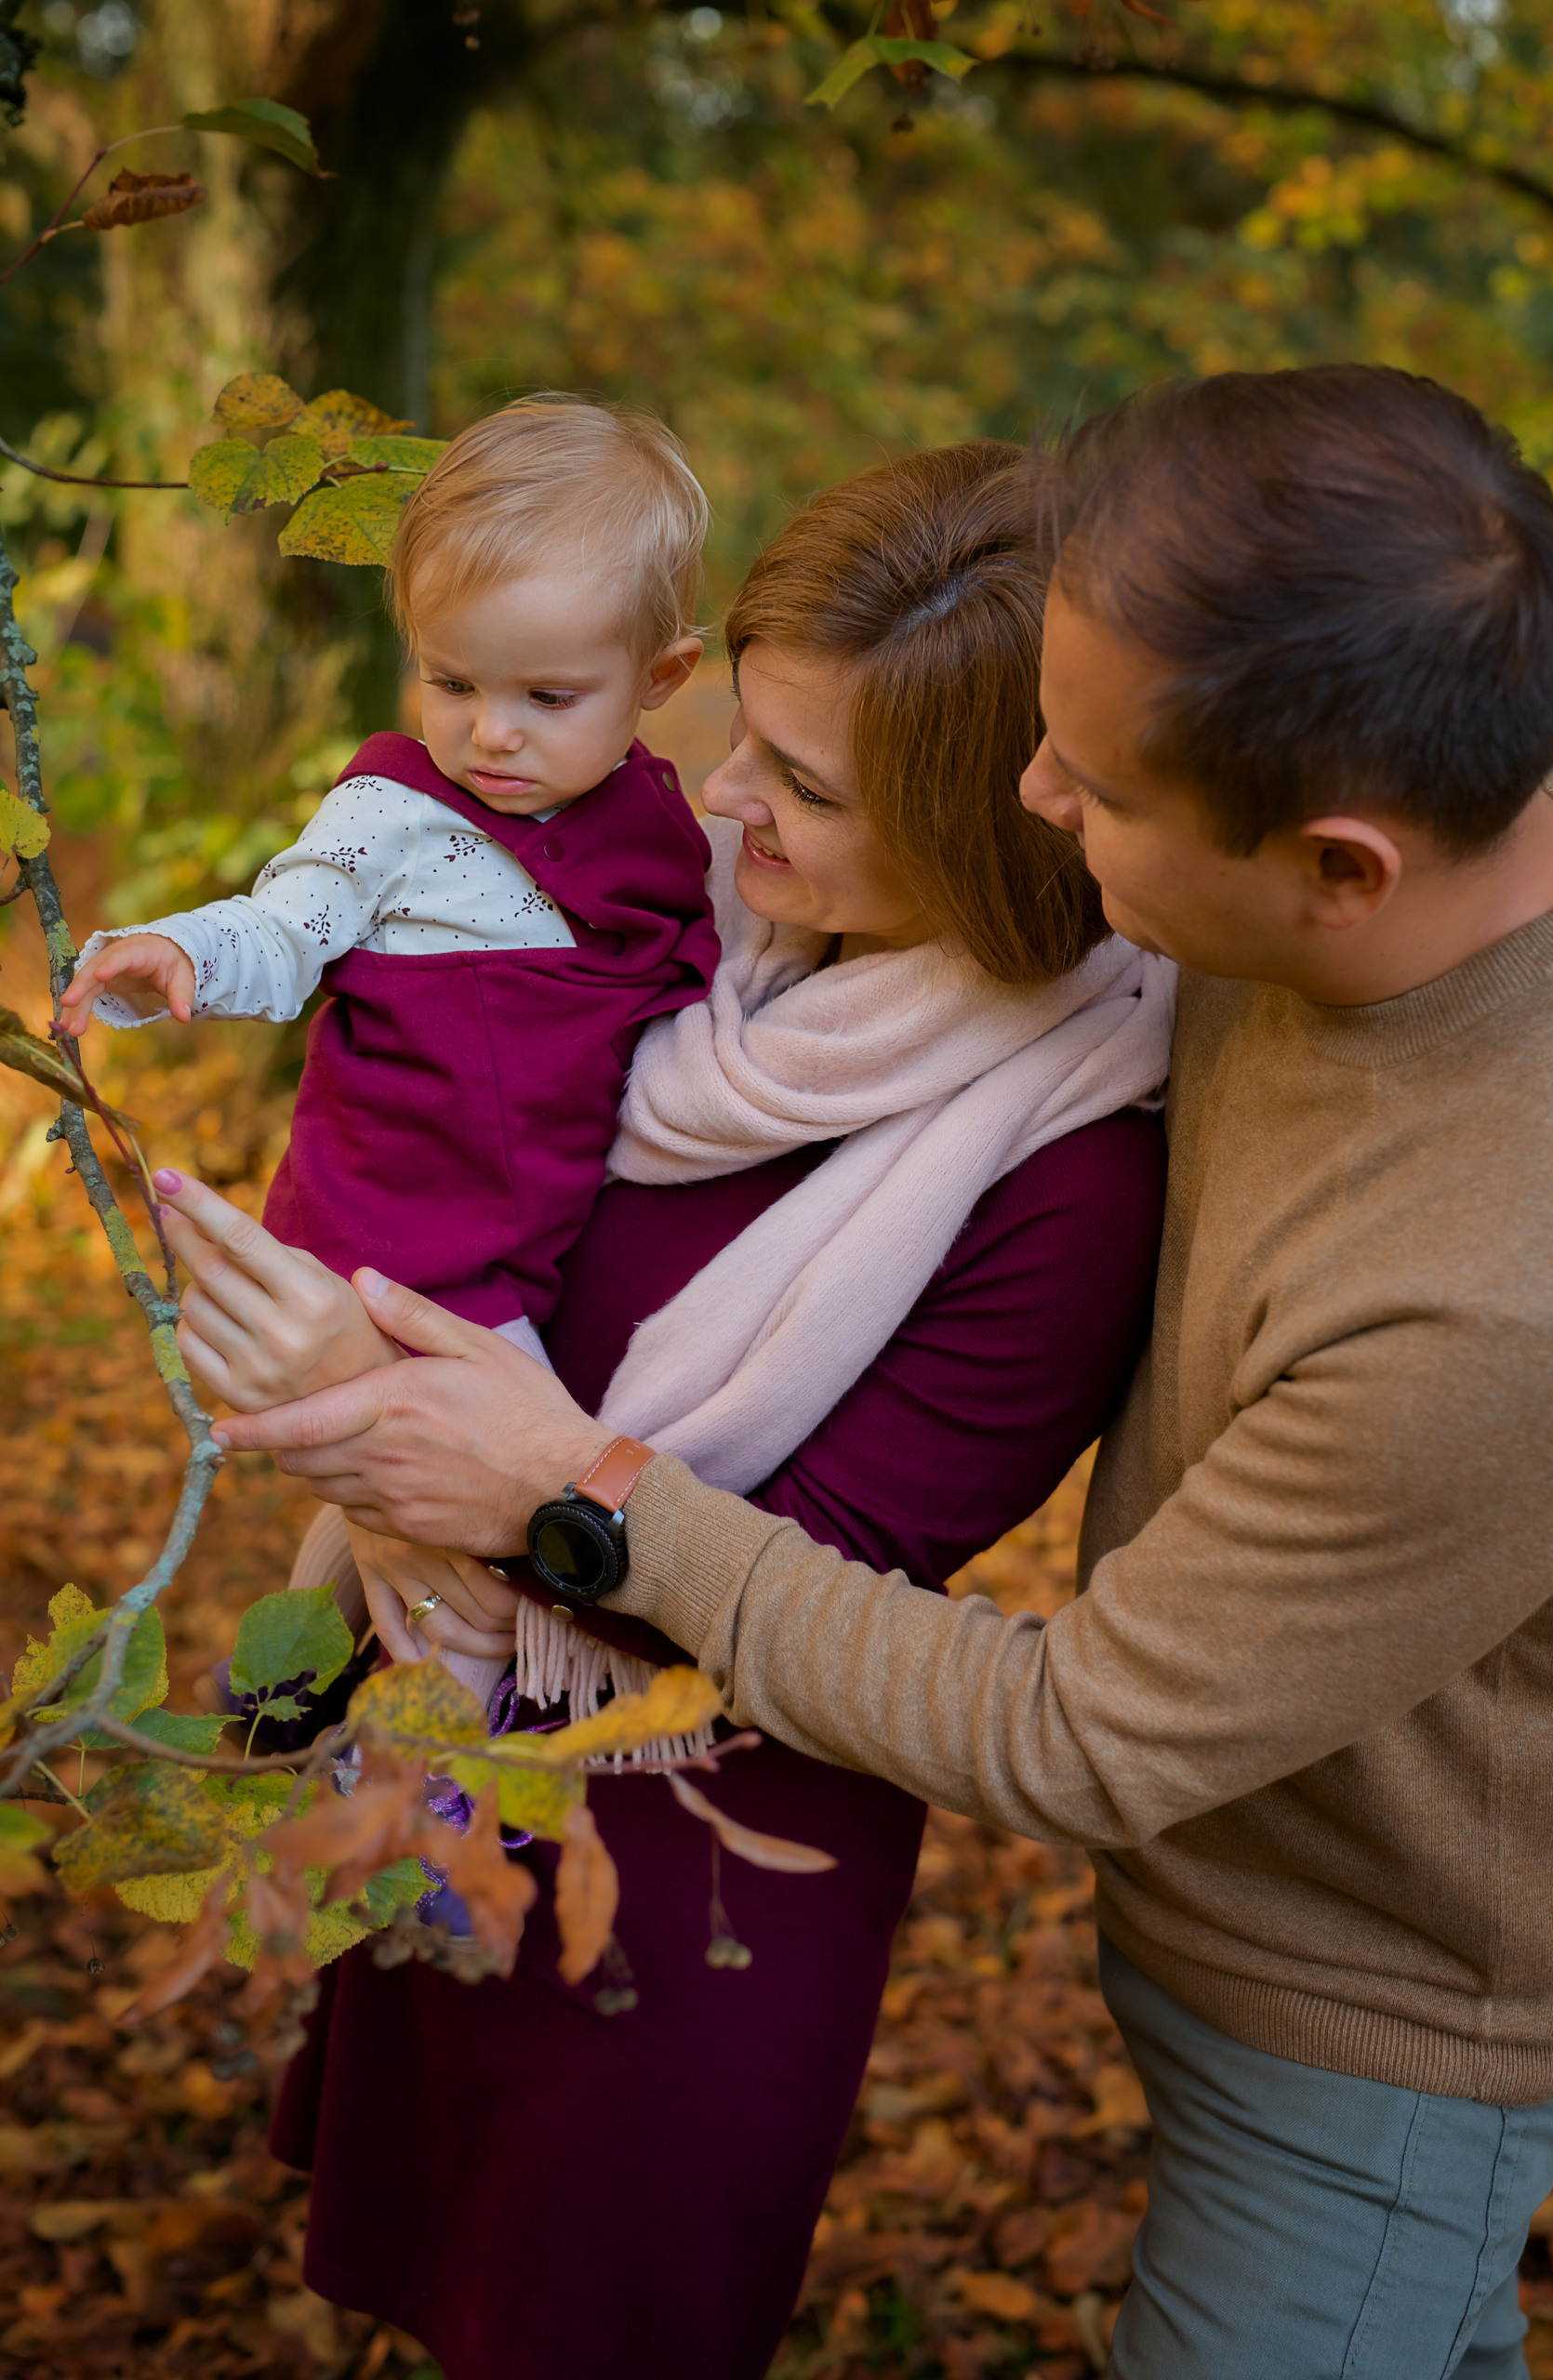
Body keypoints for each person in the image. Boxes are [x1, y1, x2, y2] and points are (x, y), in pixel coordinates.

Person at [195, 366, 1553, 2377]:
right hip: (1012, 1824)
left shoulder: (1465, 1280)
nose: (1045, 796)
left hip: (1369, 1974)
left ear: (1333, 864)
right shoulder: (1290, 847)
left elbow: (1072, 1726)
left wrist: (539, 1490)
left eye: (1089, 784)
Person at [155, 441, 1173, 2380]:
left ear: (998, 823)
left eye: (806, 786)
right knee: (430, 2270)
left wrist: (383, 1424)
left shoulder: (1065, 1176)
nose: (720, 797)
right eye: (744, 734)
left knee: (587, 2310)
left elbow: (828, 1575)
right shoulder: (665, 933)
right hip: (444, 1721)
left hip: (691, 1848)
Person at [61, 396, 720, 1699]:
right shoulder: (394, 815)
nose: (491, 732)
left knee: (393, 1521)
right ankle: (420, 1781)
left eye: (547, 696)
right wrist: (184, 952)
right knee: (491, 1536)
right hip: (407, 1241)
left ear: (661, 680)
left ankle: (283, 1713)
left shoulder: (655, 825)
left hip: (527, 1233)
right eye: (451, 682)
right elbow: (288, 922)